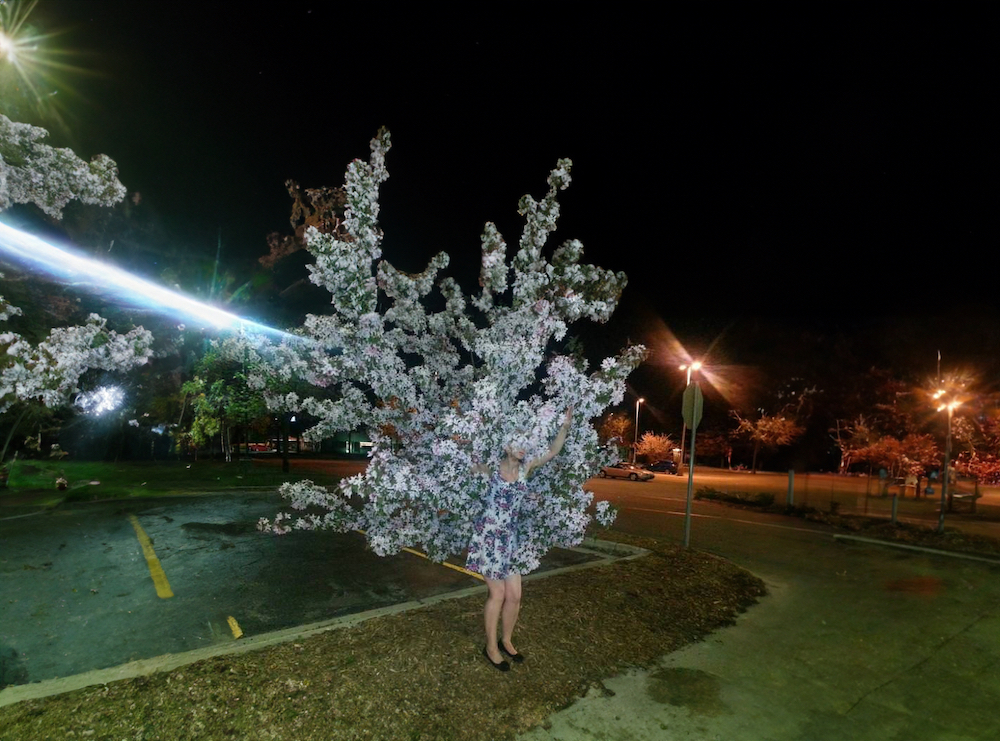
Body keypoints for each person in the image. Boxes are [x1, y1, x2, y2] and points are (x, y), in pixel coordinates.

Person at [467, 407, 573, 671]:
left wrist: (564, 427)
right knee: (498, 593)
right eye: (518, 443)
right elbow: (467, 466)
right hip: (489, 538)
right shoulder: (491, 469)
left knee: (515, 595)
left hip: (511, 539)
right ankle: (490, 647)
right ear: (506, 446)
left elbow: (553, 451)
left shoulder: (526, 468)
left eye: (526, 443)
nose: (523, 447)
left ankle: (506, 640)